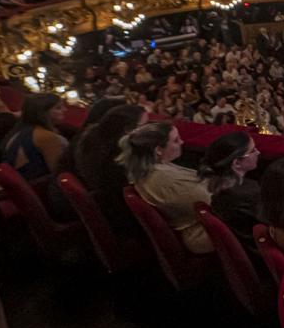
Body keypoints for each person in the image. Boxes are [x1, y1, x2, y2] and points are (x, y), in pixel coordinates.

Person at [120, 122, 213, 254]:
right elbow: (212, 202)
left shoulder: (152, 168)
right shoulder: (163, 179)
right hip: (204, 233)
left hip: (201, 222)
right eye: (176, 140)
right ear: (158, 150)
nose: (182, 142)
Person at [73, 104, 148, 237]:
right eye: (144, 126)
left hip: (106, 208)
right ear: (127, 131)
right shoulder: (119, 159)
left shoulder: (92, 137)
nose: (150, 130)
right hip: (125, 220)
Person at [199, 131, 262, 250]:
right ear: (237, 163)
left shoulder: (218, 187)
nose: (258, 152)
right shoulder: (248, 194)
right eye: (253, 150)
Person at [1, 93, 67, 181]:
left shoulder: (21, 129)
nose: (65, 110)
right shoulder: (46, 137)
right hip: (36, 188)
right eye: (58, 108)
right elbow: (60, 175)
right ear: (43, 113)